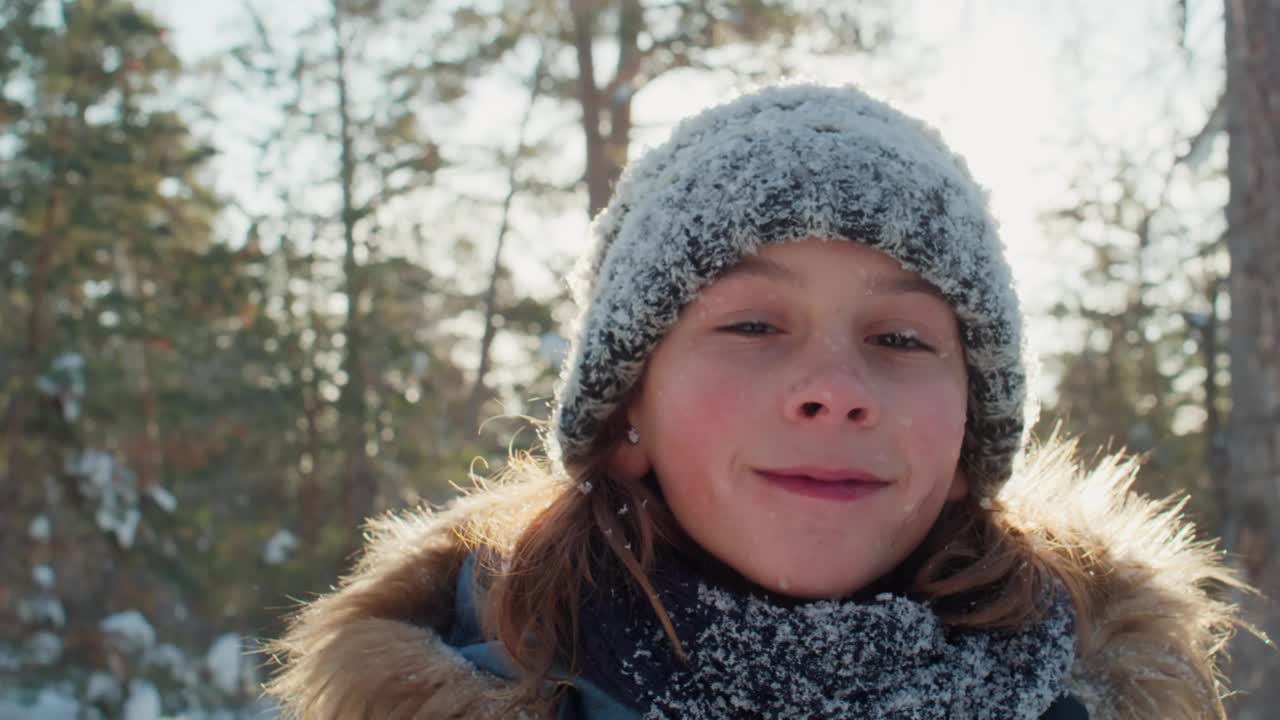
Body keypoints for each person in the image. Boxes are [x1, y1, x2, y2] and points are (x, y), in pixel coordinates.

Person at [263, 83, 1246, 719]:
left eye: (899, 339)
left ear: (966, 441)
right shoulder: (425, 688)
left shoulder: (1108, 694)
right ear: (624, 418)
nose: (832, 392)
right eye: (750, 326)